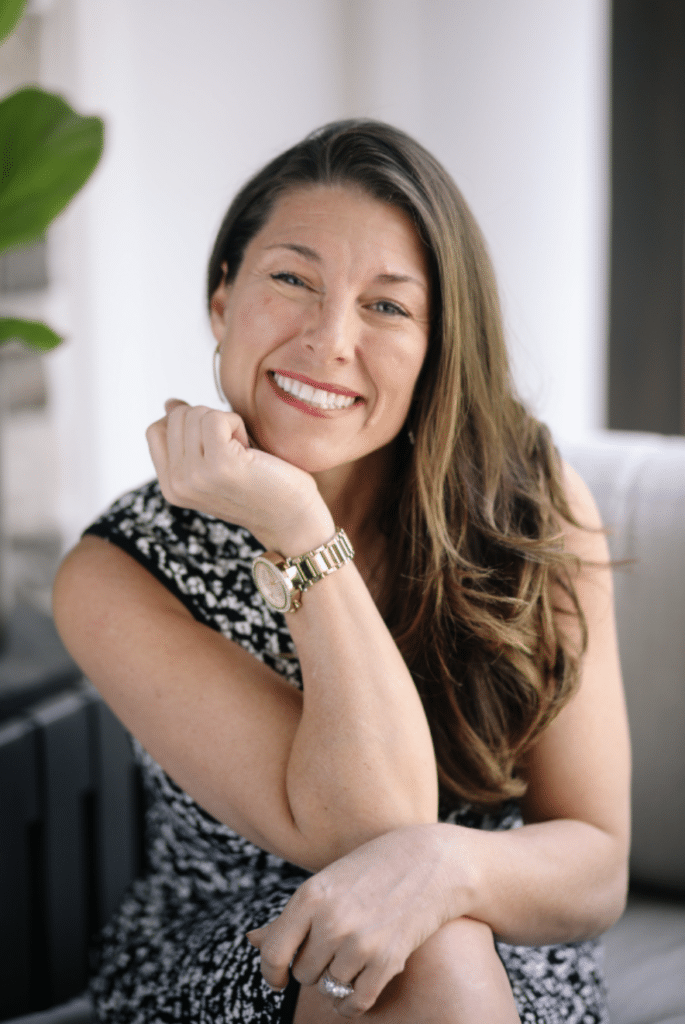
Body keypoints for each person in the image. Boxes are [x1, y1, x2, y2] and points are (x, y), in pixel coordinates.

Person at [53, 119, 630, 1024]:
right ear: (222, 300)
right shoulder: (118, 572)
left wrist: (447, 867)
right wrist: (296, 526)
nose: (328, 340)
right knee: (405, 955)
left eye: (387, 307)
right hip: (243, 943)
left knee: (431, 938)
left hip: (500, 930)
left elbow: (595, 866)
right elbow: (370, 831)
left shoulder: (528, 499)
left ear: (439, 345)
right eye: (292, 280)